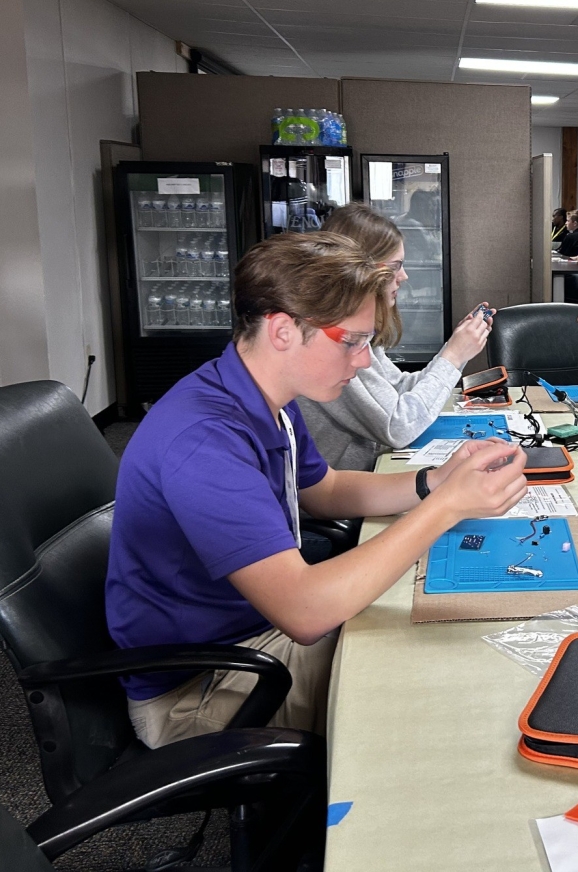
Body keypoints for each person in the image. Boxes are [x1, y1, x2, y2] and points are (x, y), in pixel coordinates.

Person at [105, 232, 527, 748]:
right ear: (283, 330)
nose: (366, 361)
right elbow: (305, 613)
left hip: (252, 635)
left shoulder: (264, 397)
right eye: (352, 341)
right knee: (434, 672)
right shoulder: (203, 441)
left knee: (431, 628)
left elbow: (323, 489)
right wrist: (445, 507)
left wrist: (432, 481)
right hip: (200, 690)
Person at [296, 204, 491, 471]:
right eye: (395, 266)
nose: (404, 276)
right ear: (361, 271)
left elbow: (396, 388)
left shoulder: (350, 334)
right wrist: (453, 356)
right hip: (338, 500)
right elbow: (397, 426)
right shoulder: (333, 341)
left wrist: (455, 350)